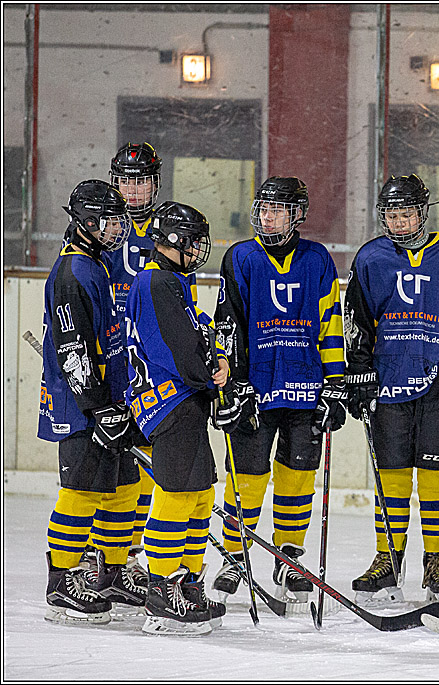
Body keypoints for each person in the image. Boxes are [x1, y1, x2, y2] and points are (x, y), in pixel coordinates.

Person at [345, 174, 439, 604]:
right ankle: (388, 559)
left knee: (435, 471)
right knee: (389, 474)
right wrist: (358, 372)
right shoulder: (371, 258)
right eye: (390, 214)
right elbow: (357, 319)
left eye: (406, 213)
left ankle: (436, 562)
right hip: (387, 379)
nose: (398, 222)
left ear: (424, 212)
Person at [211, 177, 346, 607]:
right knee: (246, 481)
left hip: (306, 388)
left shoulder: (317, 259)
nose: (267, 217)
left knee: (297, 476)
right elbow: (226, 324)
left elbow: (330, 323)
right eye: (263, 208)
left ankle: (289, 557)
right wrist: (230, 385)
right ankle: (236, 556)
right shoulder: (241, 257)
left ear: (297, 214)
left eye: (277, 210)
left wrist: (336, 385)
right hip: (256, 389)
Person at [125, 200, 233, 635]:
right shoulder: (156, 283)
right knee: (175, 493)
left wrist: (217, 357)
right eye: (192, 242)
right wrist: (213, 377)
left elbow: (198, 335)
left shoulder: (173, 281)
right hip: (168, 404)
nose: (197, 250)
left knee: (200, 492)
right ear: (172, 242)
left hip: (185, 402)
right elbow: (177, 350)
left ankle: (187, 583)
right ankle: (161, 590)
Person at [40, 180, 141, 625]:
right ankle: (61, 581)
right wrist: (97, 405)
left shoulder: (94, 264)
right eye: (107, 220)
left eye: (118, 220)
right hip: (83, 407)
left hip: (110, 399)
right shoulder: (72, 273)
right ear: (82, 222)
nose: (115, 229)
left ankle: (113, 572)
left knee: (123, 489)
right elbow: (73, 350)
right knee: (81, 492)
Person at [87, 141, 163, 588]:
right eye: (125, 181)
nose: (131, 191)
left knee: (146, 464)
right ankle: (100, 554)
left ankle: (128, 555)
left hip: (149, 358)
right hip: (110, 355)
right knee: (107, 462)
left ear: (155, 182)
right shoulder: (95, 226)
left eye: (140, 181)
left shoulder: (169, 227)